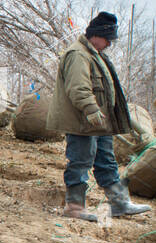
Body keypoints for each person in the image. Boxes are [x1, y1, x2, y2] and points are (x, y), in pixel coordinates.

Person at [48, 11, 150, 220]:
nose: (109, 44)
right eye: (108, 39)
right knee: (81, 161)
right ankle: (74, 207)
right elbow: (78, 88)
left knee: (106, 160)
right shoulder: (78, 54)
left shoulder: (95, 54)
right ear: (96, 35)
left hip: (99, 121)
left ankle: (120, 203)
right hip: (83, 121)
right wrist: (92, 110)